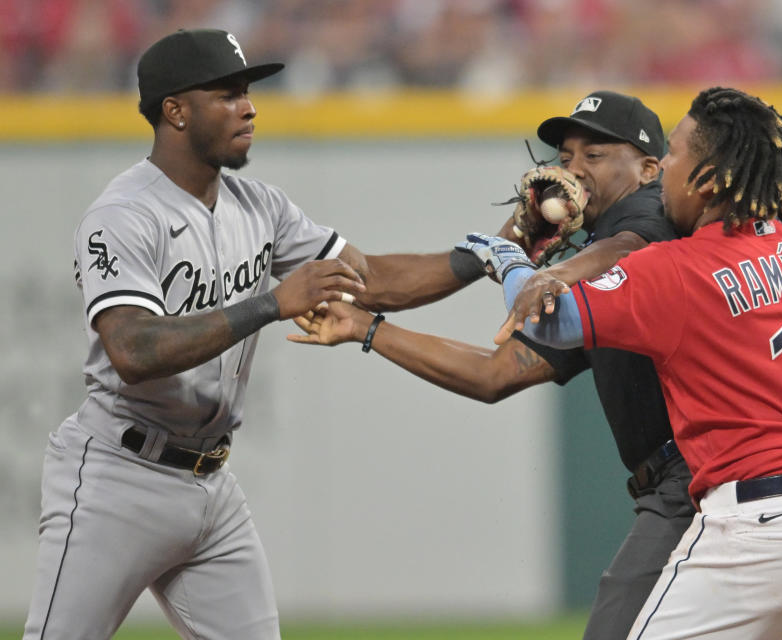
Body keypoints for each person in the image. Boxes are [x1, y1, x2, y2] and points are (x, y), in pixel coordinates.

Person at [22, 28, 493, 640]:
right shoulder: (123, 215)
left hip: (210, 483)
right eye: (226, 93)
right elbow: (133, 350)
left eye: (247, 92)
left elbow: (373, 281)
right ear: (176, 111)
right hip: (118, 473)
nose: (248, 107)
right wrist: (271, 304)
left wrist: (492, 251)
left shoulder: (259, 205)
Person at [476, 86, 782, 639]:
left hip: (764, 519)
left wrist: (510, 254)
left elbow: (553, 323)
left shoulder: (677, 267)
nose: (665, 168)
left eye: (678, 153)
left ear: (708, 178)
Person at [291, 90, 696, 640]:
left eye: (595, 156)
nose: (573, 170)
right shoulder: (594, 275)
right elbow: (495, 373)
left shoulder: (648, 218)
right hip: (688, 482)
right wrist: (367, 329)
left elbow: (633, 245)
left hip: (697, 478)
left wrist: (552, 273)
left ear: (649, 168)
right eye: (566, 156)